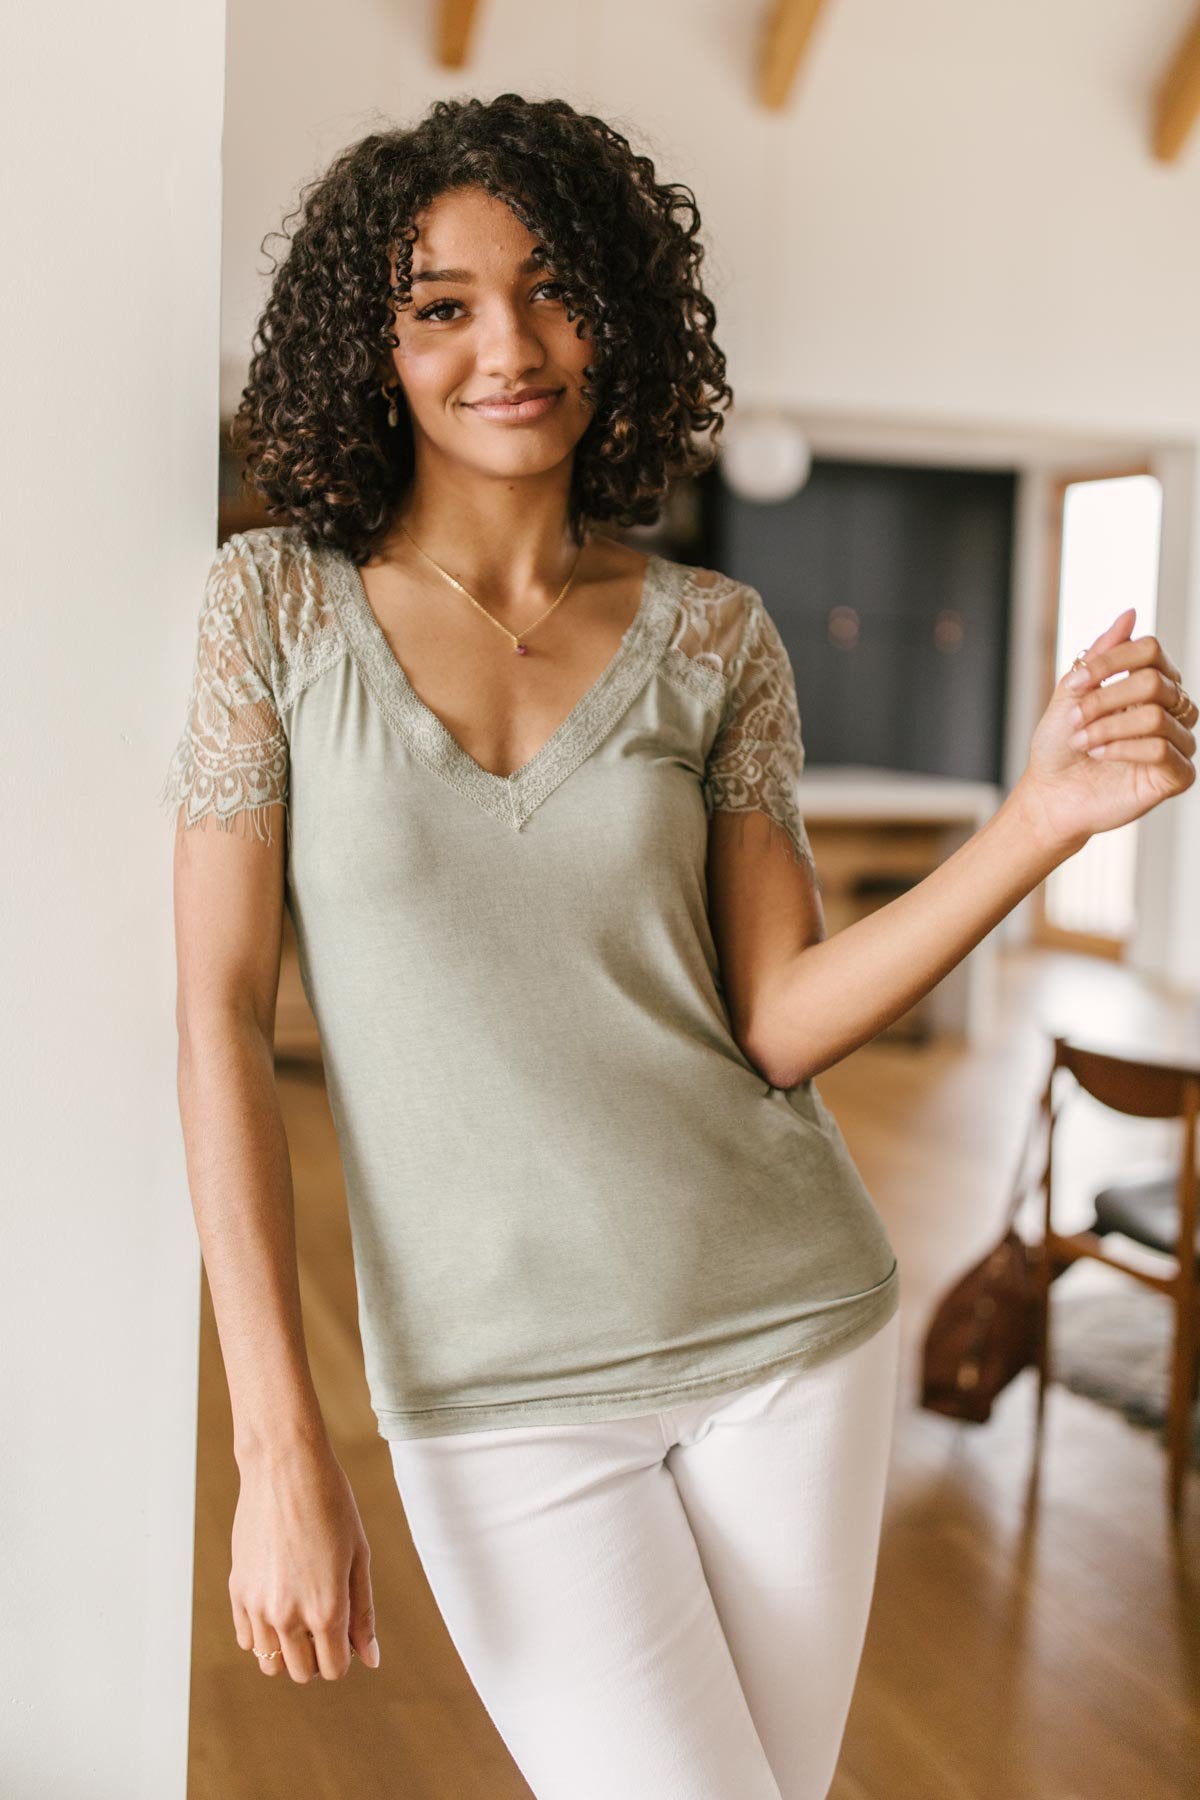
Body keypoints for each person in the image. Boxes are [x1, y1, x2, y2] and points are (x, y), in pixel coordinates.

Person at [161, 92, 1197, 1800]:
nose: (509, 346)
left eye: (553, 289)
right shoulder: (271, 609)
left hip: (792, 1336)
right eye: (443, 305)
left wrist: (1037, 824)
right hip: (496, 1391)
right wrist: (276, 1446)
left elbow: (777, 1019)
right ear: (378, 345)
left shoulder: (718, 636)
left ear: (621, 317)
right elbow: (215, 1016)